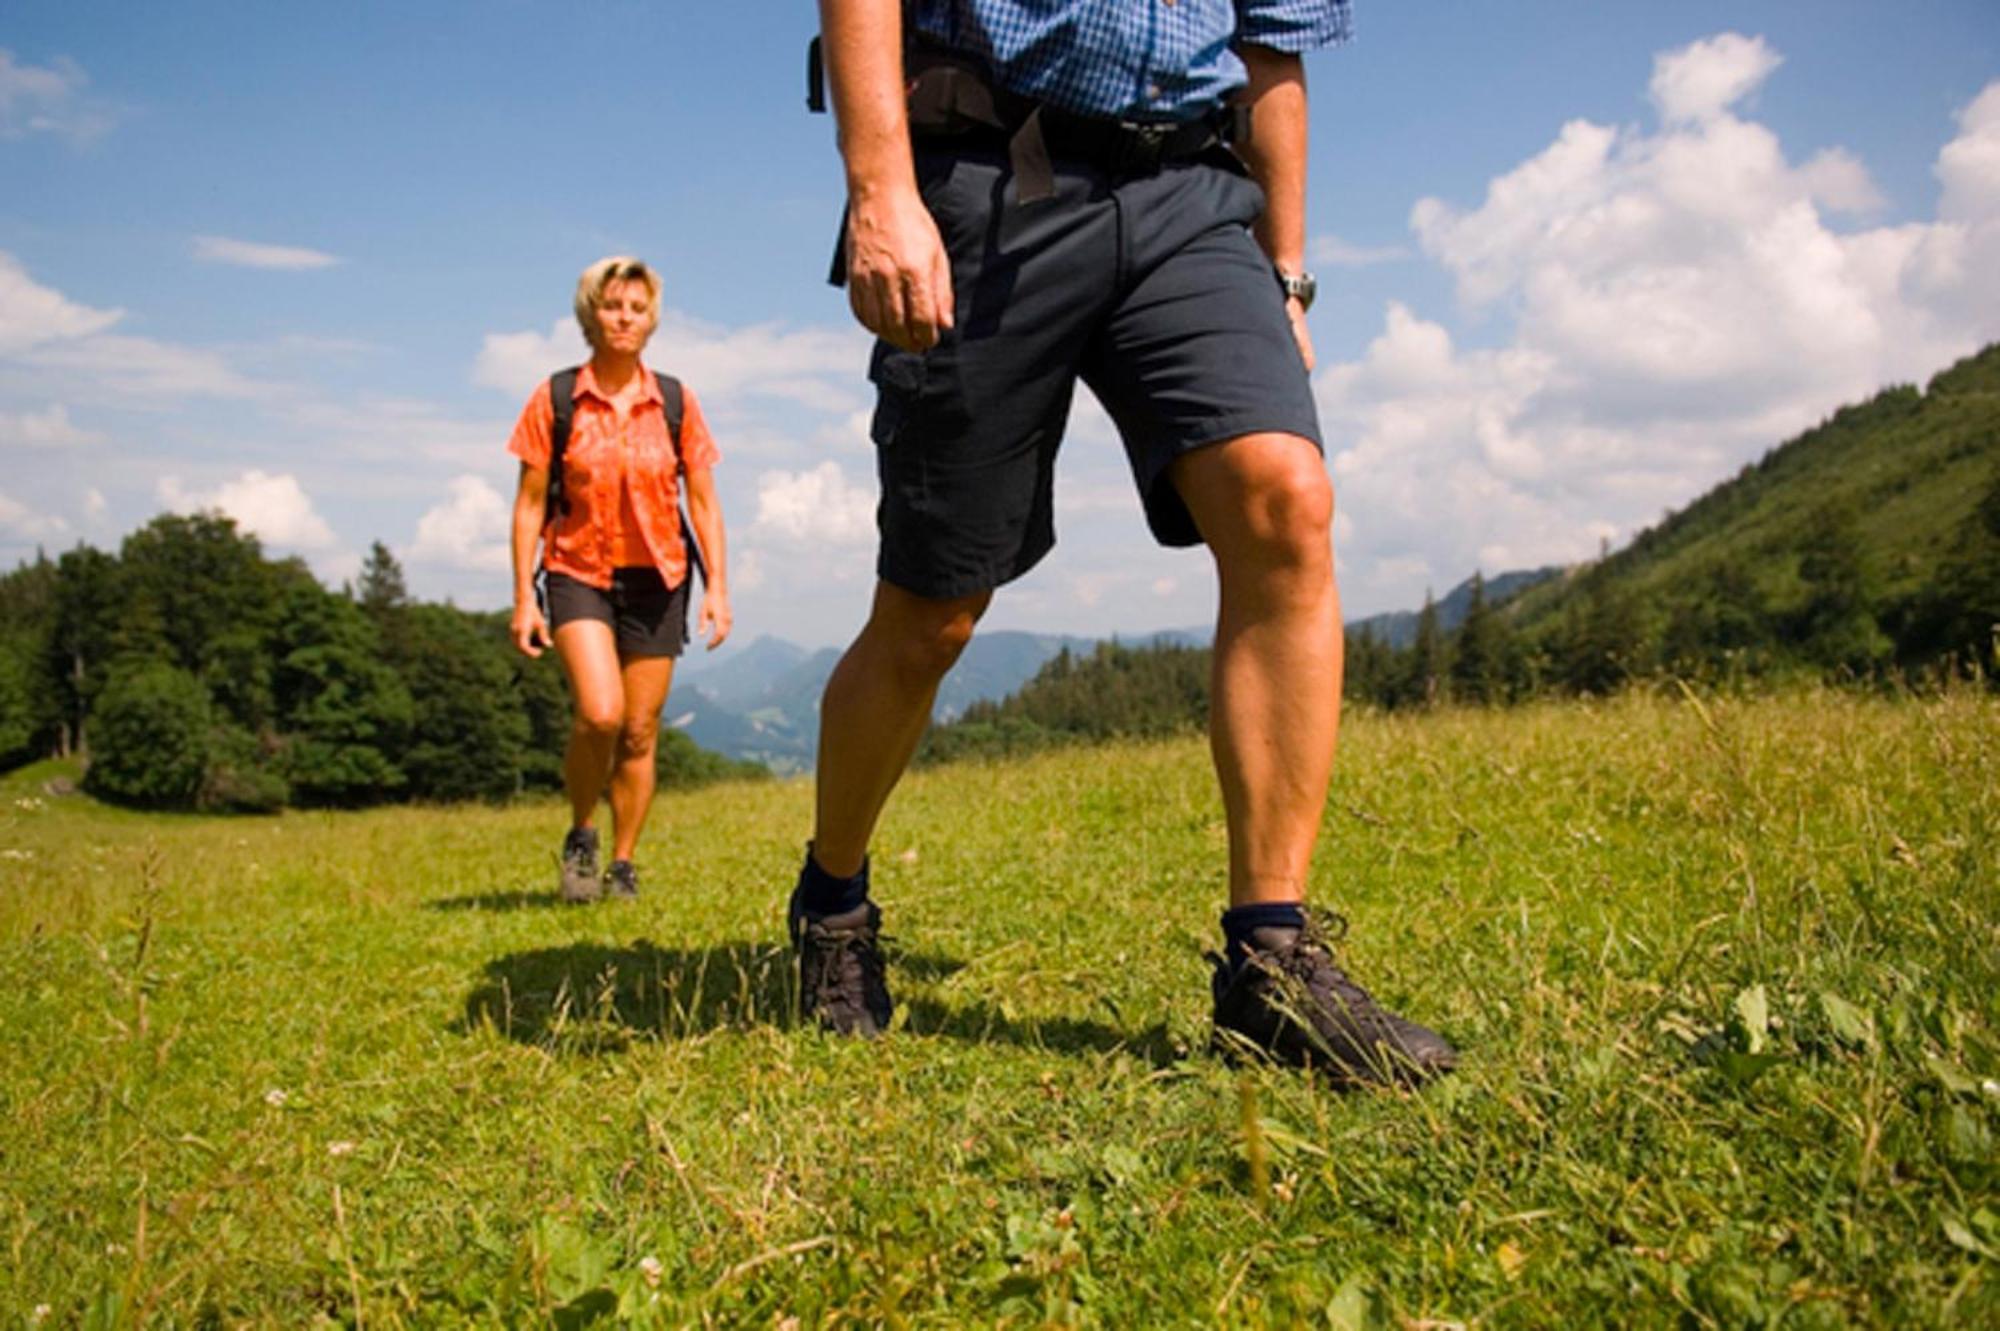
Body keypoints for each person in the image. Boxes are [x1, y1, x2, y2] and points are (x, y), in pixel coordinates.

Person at [790, 0, 1456, 1086]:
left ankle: (1269, 961)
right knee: (933, 610)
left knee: (1283, 500)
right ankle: (832, 902)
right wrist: (879, 188)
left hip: (1192, 193)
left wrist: (1285, 271)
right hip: (989, 171)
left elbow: (1269, 48)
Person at [507, 256, 731, 903]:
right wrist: (525, 596)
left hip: (659, 576)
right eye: (612, 305)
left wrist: (718, 587)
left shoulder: (676, 401)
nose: (624, 317)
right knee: (600, 713)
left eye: (636, 307)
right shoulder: (556, 398)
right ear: (590, 314)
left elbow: (705, 501)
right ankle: (582, 833)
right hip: (577, 569)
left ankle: (624, 862)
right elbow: (527, 504)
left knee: (638, 729)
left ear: (651, 319)